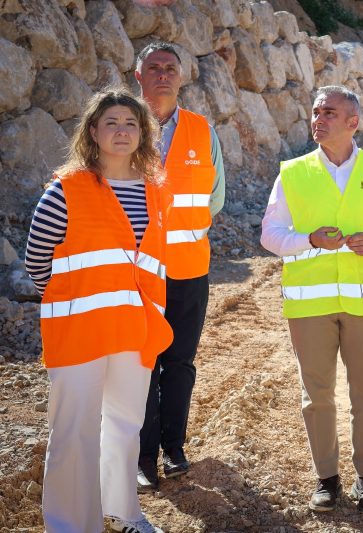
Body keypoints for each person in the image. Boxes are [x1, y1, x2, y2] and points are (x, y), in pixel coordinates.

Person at [25, 88, 171, 533]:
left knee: (125, 425)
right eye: (111, 123)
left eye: (131, 123)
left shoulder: (154, 191)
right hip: (79, 329)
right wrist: (73, 300)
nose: (122, 131)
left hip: (134, 328)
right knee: (74, 430)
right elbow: (37, 261)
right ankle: (71, 525)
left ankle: (122, 512)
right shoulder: (65, 190)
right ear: (92, 132)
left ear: (143, 133)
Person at [261, 85, 363, 516]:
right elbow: (270, 235)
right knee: (317, 395)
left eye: (328, 113)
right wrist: (308, 240)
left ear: (353, 122)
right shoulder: (292, 173)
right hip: (309, 304)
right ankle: (326, 480)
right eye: (315, 112)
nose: (318, 119)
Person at [134, 42, 226, 492]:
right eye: (154, 67)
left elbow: (216, 196)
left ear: (182, 77)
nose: (163, 74)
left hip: (188, 268)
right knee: (141, 364)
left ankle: (174, 448)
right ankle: (142, 457)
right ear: (138, 76)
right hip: (137, 272)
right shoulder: (122, 125)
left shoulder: (201, 130)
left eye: (171, 68)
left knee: (179, 362)